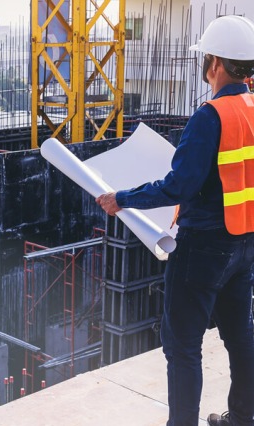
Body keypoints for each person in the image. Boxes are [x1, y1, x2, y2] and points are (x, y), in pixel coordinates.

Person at [95, 15, 254, 426]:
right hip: (244, 242)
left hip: (202, 248)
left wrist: (122, 198)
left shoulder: (211, 115)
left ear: (216, 63)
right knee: (241, 336)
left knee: (182, 346)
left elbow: (179, 186)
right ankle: (242, 418)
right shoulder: (252, 108)